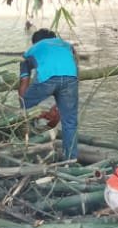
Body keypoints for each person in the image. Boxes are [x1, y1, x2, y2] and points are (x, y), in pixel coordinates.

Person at [18, 29, 80, 161]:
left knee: (26, 108)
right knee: (70, 122)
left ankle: (27, 142)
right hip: (71, 77)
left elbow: (24, 81)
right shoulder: (67, 45)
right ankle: (71, 160)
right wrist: (58, 106)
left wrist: (23, 108)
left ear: (34, 42)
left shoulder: (30, 52)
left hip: (48, 78)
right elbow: (75, 69)